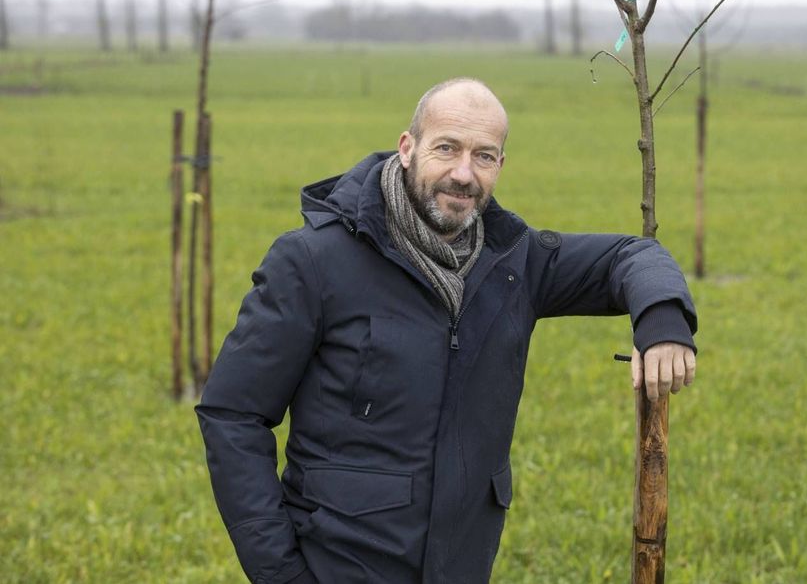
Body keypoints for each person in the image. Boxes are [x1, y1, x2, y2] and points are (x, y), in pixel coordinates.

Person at [196, 78, 697, 584]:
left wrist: (662, 322)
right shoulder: (312, 261)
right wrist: (281, 575)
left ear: (500, 166)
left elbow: (632, 256)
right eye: (447, 148)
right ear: (408, 148)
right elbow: (234, 414)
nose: (464, 174)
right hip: (337, 565)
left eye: (484, 156)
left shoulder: (514, 262)